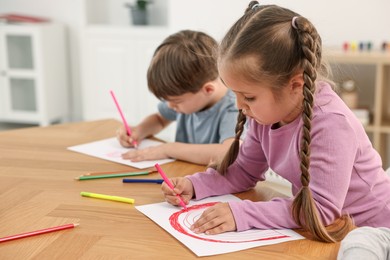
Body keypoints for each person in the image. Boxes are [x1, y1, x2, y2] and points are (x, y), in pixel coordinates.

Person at [161, 1, 390, 243]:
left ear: (295, 84)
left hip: (372, 232)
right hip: (330, 232)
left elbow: (321, 210)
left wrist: (243, 213)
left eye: (248, 96)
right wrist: (194, 185)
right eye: (234, 93)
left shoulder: (332, 124)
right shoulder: (264, 115)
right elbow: (244, 172)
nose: (239, 105)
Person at [116, 30, 242, 165]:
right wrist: (138, 131)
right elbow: (159, 119)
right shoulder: (188, 98)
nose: (170, 106)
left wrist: (169, 149)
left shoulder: (234, 107)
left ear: (208, 89)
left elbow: (230, 152)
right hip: (185, 176)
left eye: (176, 101)